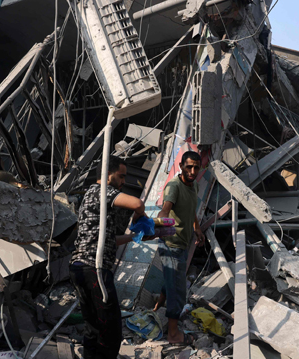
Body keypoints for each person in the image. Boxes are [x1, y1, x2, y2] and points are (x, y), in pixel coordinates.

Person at [71, 156, 148, 359]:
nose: (123, 182)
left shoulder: (90, 195)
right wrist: (141, 217)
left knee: (93, 326)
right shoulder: (101, 191)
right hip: (94, 268)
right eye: (121, 176)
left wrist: (133, 236)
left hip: (80, 267)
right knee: (110, 328)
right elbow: (137, 203)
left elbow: (108, 240)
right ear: (107, 174)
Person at [154, 151, 204, 345]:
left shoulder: (195, 186)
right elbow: (165, 209)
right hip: (172, 244)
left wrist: (197, 228)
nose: (192, 171)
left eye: (196, 167)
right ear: (181, 166)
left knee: (172, 280)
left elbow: (191, 210)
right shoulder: (174, 186)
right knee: (177, 289)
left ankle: (157, 308)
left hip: (183, 242)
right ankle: (173, 334)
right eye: (189, 166)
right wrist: (157, 225)